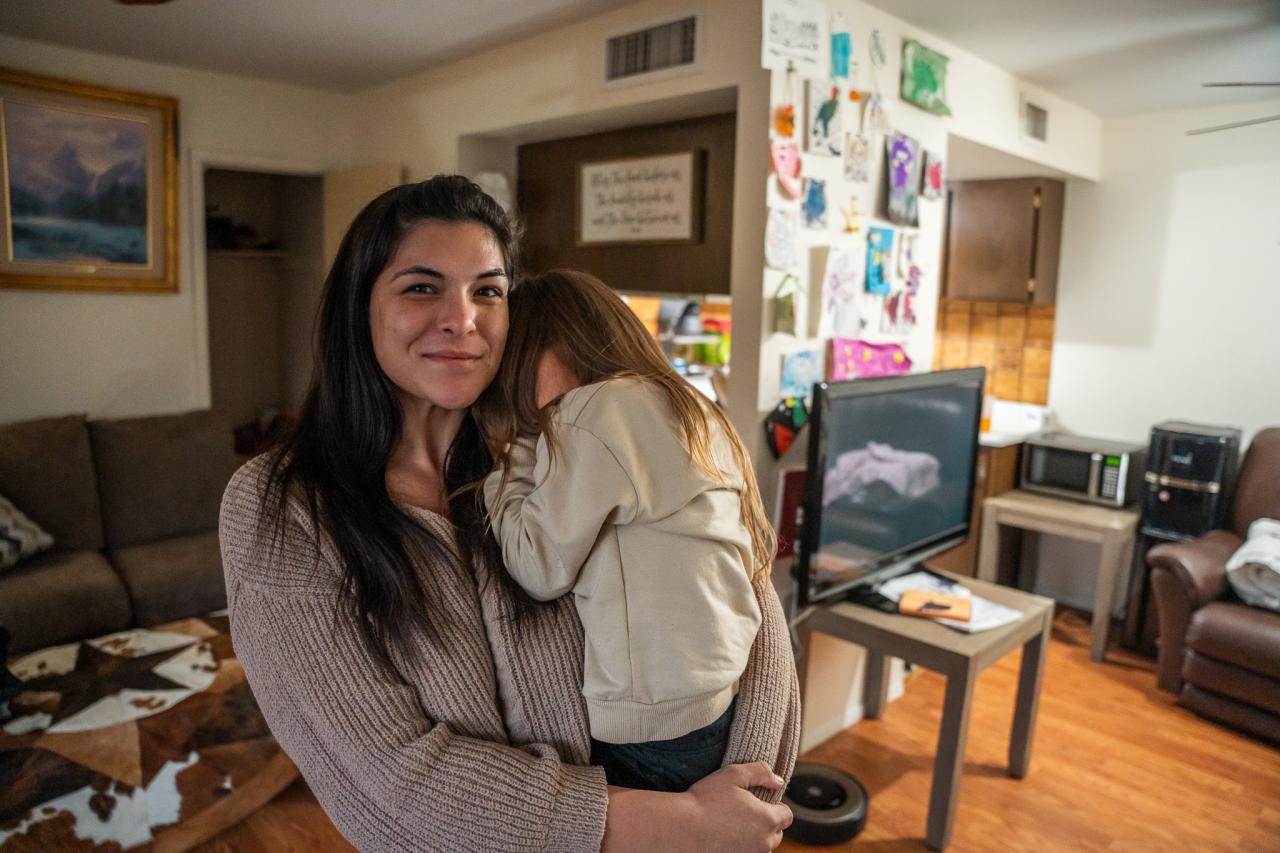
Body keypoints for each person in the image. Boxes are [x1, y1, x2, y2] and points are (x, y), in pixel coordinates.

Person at [218, 175, 800, 852]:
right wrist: (680, 826)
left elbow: (750, 601)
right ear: (359, 309)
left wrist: (746, 798)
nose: (462, 319)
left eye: (487, 291)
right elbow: (394, 771)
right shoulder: (282, 509)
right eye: (421, 286)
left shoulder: (548, 449)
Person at [477, 270, 775, 794]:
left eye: (516, 365)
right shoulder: (696, 409)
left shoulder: (589, 414)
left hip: (652, 722)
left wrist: (509, 449)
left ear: (558, 344)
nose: (512, 389)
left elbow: (535, 568)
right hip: (719, 698)